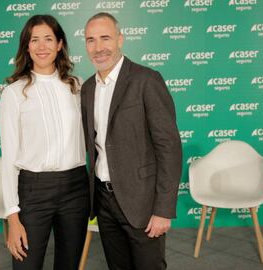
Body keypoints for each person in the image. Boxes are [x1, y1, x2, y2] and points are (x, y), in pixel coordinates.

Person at [80, 12, 182, 270]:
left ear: (120, 39)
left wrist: (163, 209)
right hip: (104, 202)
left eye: (105, 38)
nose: (98, 47)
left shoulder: (146, 80)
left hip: (143, 203)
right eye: (91, 40)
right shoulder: (88, 88)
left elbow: (169, 148)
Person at [0, 14, 89, 270]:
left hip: (76, 188)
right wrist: (12, 215)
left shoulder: (78, 87)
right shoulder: (14, 92)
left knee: (69, 264)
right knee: (26, 265)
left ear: (60, 44)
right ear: (26, 46)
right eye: (34, 40)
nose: (41, 46)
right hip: (33, 191)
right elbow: (9, 158)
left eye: (48, 39)